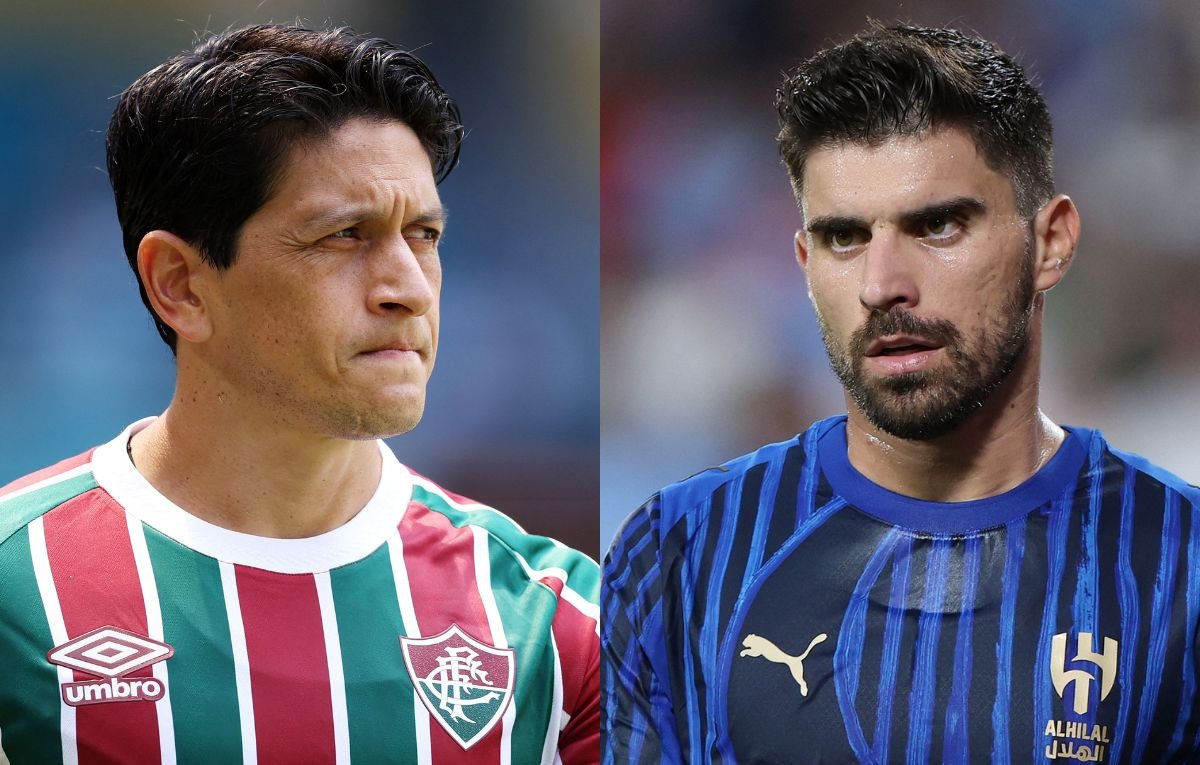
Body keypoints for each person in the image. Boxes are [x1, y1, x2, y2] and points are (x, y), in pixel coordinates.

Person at [602, 22, 1200, 764]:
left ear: (1050, 243)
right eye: (844, 238)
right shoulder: (681, 553)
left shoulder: (1182, 562)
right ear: (804, 262)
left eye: (938, 225)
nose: (882, 285)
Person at [0, 25, 599, 765]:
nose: (409, 289)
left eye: (424, 235)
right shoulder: (17, 588)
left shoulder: (558, 623)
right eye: (344, 236)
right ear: (180, 285)